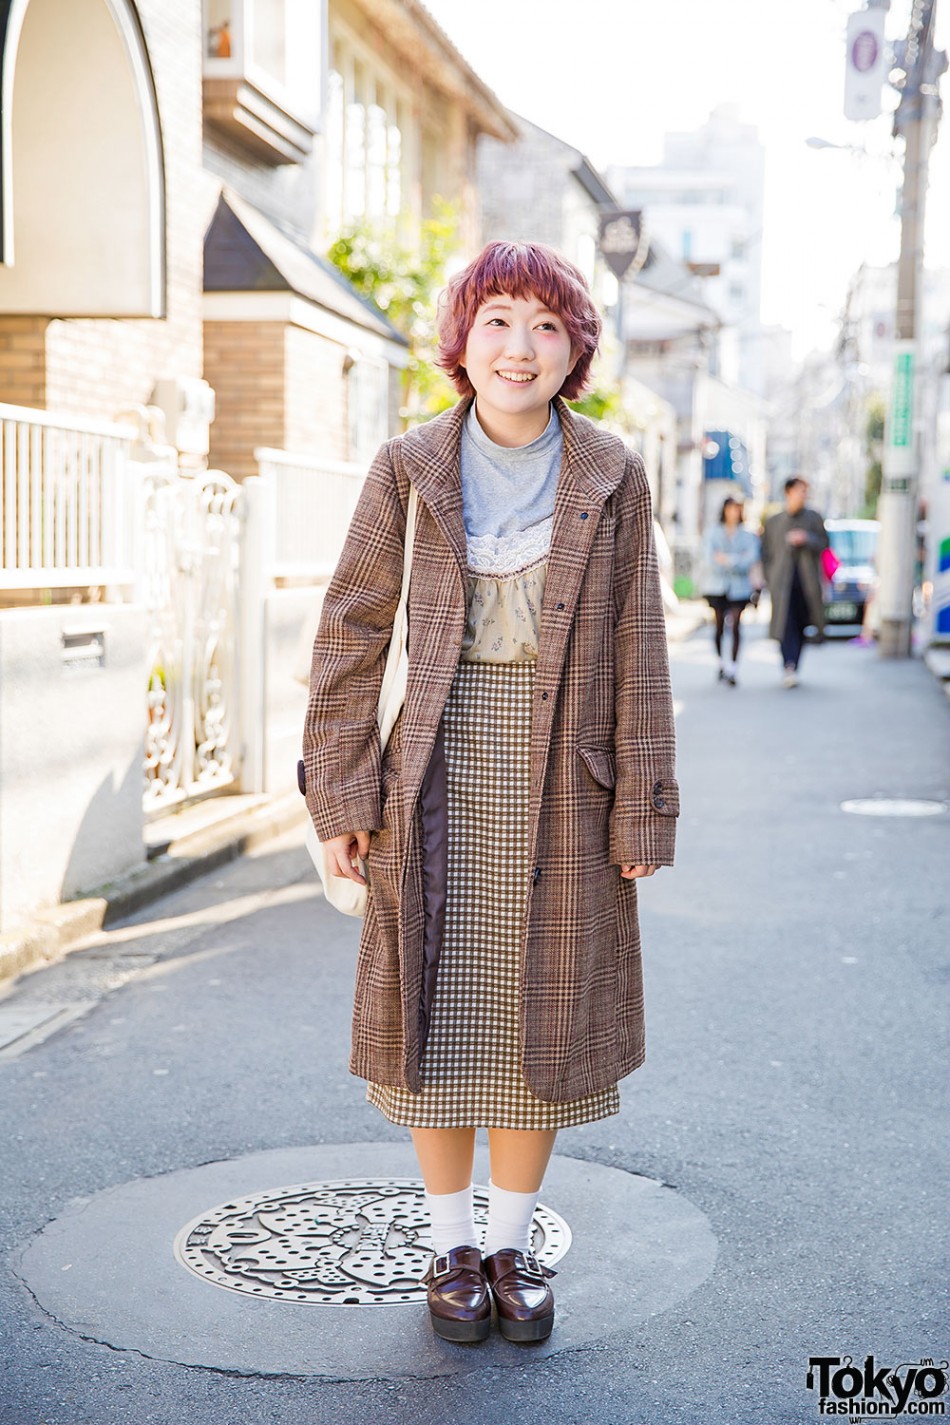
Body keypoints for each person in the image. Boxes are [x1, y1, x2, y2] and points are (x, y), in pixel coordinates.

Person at [301, 241, 679, 1346]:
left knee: (540, 1018)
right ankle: (448, 1246)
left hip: (569, 770)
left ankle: (511, 1247)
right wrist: (341, 791)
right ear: (462, 339)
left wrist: (641, 805)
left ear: (575, 350)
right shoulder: (409, 465)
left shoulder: (609, 470)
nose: (521, 347)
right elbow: (350, 631)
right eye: (500, 319)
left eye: (547, 326)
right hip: (434, 766)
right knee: (441, 1011)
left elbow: (636, 644)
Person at [761, 476, 829, 688]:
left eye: (805, 492)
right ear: (788, 492)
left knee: (801, 623)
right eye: (800, 491)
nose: (804, 496)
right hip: (781, 582)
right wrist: (769, 578)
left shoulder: (814, 518)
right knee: (784, 622)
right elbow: (766, 554)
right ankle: (788, 665)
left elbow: (825, 544)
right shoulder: (774, 522)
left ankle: (794, 664)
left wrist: (806, 539)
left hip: (806, 582)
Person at [702, 496, 759, 685]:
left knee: (735, 625)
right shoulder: (713, 532)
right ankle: (721, 662)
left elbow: (750, 558)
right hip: (716, 585)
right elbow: (709, 558)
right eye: (731, 508)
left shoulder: (747, 534)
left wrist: (728, 560)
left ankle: (733, 667)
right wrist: (735, 559)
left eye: (738, 509)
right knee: (718, 626)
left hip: (740, 587)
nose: (734, 512)